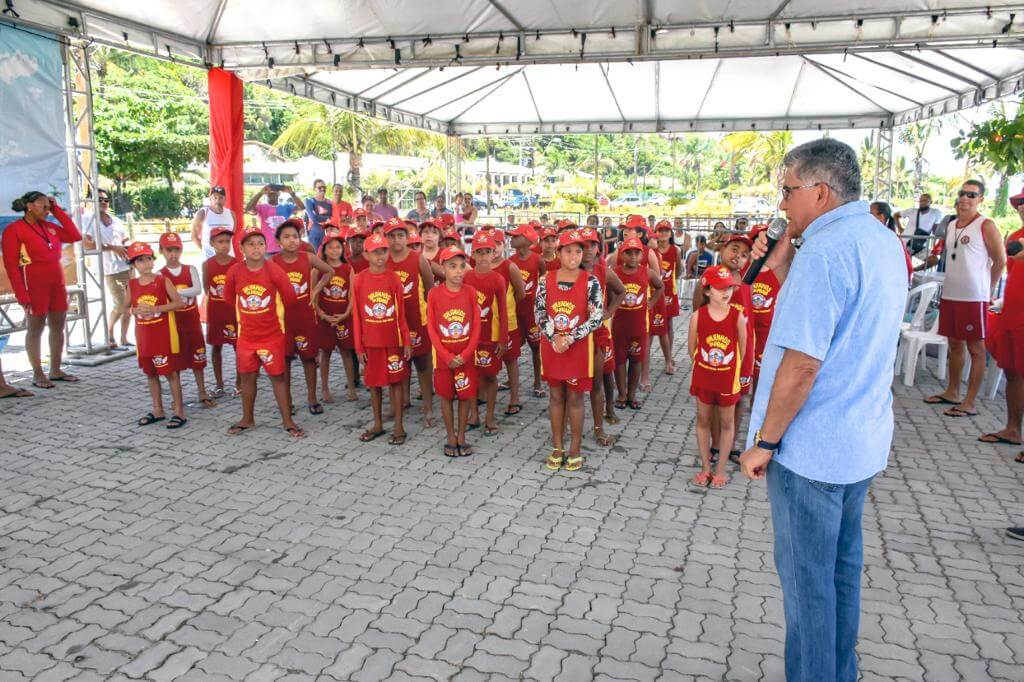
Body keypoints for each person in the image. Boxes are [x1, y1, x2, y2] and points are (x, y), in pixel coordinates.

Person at [738, 138, 907, 682]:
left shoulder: (828, 251)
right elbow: (837, 320)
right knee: (839, 577)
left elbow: (803, 364)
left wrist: (765, 440)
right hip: (857, 442)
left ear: (819, 190)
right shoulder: (879, 241)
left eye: (788, 191)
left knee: (809, 590)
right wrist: (785, 266)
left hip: (810, 453)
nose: (782, 205)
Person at [924, 180, 1005, 418]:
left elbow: (1000, 261)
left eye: (971, 194)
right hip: (951, 293)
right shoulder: (952, 225)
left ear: (980, 199)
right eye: (962, 193)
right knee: (954, 344)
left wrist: (987, 290)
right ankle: (952, 391)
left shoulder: (986, 225)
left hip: (975, 297)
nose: (965, 198)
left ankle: (969, 402)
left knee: (976, 348)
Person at [223, 226, 303, 438]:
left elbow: (290, 297)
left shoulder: (273, 270)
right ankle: (247, 418)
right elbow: (228, 298)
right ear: (241, 248)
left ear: (266, 246)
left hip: (271, 336)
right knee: (247, 377)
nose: (256, 248)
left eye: (260, 243)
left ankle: (288, 420)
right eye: (251, 244)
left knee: (278, 377)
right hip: (247, 337)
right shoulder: (235, 271)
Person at [537, 229, 603, 471]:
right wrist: (555, 336)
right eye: (568, 251)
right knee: (555, 397)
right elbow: (540, 313)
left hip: (578, 348)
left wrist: (571, 337)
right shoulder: (545, 280)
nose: (573, 256)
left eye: (578, 251)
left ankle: (575, 447)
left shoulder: (591, 281)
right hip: (553, 347)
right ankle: (557, 446)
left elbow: (596, 317)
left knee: (575, 398)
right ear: (559, 252)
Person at [2, 191, 82, 389]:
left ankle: (55, 369)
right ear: (29, 206)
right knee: (36, 327)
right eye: (43, 206)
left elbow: (74, 235)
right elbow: (11, 266)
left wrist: (57, 211)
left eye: (49, 207)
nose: (47, 211)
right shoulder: (15, 230)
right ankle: (37, 373)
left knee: (58, 324)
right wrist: (22, 294)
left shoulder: (49, 226)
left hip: (56, 280)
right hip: (33, 282)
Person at [690, 265, 747, 489]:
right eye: (720, 287)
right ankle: (705, 467)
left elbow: (742, 349)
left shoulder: (737, 316)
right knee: (703, 421)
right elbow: (691, 348)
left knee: (726, 423)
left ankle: (721, 469)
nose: (726, 292)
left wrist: (738, 375)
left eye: (729, 288)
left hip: (727, 381)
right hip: (704, 378)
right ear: (706, 291)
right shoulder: (698, 316)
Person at [351, 232, 412, 444]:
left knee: (396, 383)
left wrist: (406, 340)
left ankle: (399, 427)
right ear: (366, 254)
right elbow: (357, 316)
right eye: (375, 251)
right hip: (371, 343)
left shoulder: (394, 279)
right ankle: (377, 423)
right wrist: (358, 347)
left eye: (384, 251)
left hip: (393, 342)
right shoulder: (358, 280)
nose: (380, 255)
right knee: (374, 384)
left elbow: (401, 314)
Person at [272, 218, 334, 416]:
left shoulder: (307, 257)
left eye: (295, 237)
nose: (292, 240)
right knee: (286, 359)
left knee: (308, 359)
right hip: (283, 320)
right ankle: (287, 400)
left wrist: (316, 289)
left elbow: (329, 271)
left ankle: (312, 398)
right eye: (287, 237)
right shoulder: (273, 262)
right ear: (279, 241)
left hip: (305, 317)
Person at [980, 186, 1024, 457]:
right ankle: (1012, 429)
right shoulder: (1017, 236)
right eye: (1020, 202)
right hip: (1012, 315)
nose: (1021, 207)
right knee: (1013, 372)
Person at [426, 246, 482, 457]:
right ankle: (450, 436)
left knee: (466, 396)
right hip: (443, 359)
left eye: (461, 266)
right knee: (446, 397)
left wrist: (466, 355)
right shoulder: (434, 294)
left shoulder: (470, 292)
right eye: (452, 266)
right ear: (443, 268)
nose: (458, 271)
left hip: (466, 357)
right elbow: (431, 328)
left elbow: (476, 327)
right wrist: (446, 356)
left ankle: (462, 436)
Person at [126, 241, 186, 428]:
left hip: (162, 335)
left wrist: (156, 308)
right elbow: (125, 307)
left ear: (153, 261)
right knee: (150, 373)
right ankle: (157, 409)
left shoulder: (162, 280)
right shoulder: (132, 284)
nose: (145, 264)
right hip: (144, 337)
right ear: (134, 264)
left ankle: (179, 412)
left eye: (148, 259)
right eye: (140, 261)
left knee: (170, 373)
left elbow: (178, 303)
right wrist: (132, 311)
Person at [384, 217, 435, 426]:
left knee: (422, 363)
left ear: (407, 237)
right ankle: (401, 402)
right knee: (397, 363)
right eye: (392, 236)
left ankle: (428, 407)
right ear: (385, 238)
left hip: (417, 320)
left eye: (401, 235)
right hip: (391, 321)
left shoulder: (418, 259)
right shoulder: (383, 260)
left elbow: (430, 288)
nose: (396, 240)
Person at [159, 232, 214, 407]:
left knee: (198, 358)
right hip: (173, 325)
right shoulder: (160, 274)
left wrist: (173, 293)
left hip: (192, 322)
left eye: (176, 250)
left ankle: (202, 392)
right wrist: (181, 292)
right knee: (176, 361)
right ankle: (177, 398)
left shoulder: (190, 269)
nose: (173, 254)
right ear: (162, 251)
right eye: (169, 250)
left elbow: (197, 289)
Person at [580, 226, 624, 445]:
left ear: (598, 248)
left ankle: (599, 427)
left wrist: (610, 311)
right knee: (575, 386)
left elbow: (622, 291)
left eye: (592, 245)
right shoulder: (568, 271)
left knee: (601, 378)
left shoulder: (602, 270)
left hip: (597, 334)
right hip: (575, 336)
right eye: (584, 245)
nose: (588, 250)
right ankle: (574, 426)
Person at [464, 233, 508, 435]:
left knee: (490, 376)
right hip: (469, 336)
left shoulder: (498, 279)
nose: (483, 257)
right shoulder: (467, 277)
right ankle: (474, 413)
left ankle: (490, 415)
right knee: (472, 376)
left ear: (494, 254)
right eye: (479, 252)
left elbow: (503, 310)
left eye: (487, 252)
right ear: (472, 254)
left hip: (490, 336)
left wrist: (503, 338)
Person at [612, 237, 664, 410]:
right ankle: (621, 393)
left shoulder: (646, 272)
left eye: (637, 253)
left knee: (636, 360)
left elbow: (660, 286)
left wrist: (652, 302)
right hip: (619, 326)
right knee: (619, 361)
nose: (633, 257)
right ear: (622, 254)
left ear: (642, 255)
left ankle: (632, 395)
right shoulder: (615, 272)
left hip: (639, 327)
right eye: (629, 253)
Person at [84, 189, 132, 349]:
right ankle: (109, 334)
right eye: (99, 200)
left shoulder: (116, 220)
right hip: (109, 268)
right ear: (91, 202)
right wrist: (112, 248)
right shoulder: (87, 220)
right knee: (121, 304)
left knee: (130, 304)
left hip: (127, 265)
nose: (103, 202)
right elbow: (88, 245)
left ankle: (124, 338)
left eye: (106, 200)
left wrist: (129, 248)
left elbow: (125, 239)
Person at [316, 233, 357, 404]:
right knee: (325, 353)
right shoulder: (318, 269)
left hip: (343, 317)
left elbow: (352, 295)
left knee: (346, 352)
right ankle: (325, 388)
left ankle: (352, 386)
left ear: (343, 250)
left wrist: (346, 313)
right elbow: (313, 296)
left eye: (338, 247)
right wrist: (321, 314)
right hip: (325, 318)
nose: (334, 250)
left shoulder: (348, 269)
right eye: (331, 247)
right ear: (324, 249)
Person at [508, 224, 545, 399]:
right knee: (513, 347)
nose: (511, 239)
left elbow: (544, 282)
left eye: (515, 236)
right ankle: (511, 380)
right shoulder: (511, 261)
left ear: (526, 240)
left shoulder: (538, 260)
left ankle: (537, 381)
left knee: (536, 347)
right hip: (515, 311)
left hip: (532, 312)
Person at [202, 226, 238, 397]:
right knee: (216, 347)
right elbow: (206, 289)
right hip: (216, 312)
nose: (224, 245)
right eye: (220, 241)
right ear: (212, 243)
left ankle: (240, 383)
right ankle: (219, 384)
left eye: (227, 241)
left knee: (239, 347)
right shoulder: (207, 265)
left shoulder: (237, 264)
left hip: (233, 312)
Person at [653, 220, 683, 374]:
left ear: (671, 233)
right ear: (655, 232)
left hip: (669, 291)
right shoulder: (652, 249)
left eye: (666, 230)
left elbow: (678, 271)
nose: (663, 233)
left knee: (669, 324)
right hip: (654, 291)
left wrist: (668, 282)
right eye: (660, 230)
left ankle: (669, 357)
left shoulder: (675, 250)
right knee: (653, 324)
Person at [245, 184, 302, 255]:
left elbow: (301, 208)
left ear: (279, 193)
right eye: (270, 191)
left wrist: (292, 194)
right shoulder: (262, 208)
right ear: (266, 194)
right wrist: (260, 194)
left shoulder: (286, 207)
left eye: (275, 191)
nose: (273, 193)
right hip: (268, 250)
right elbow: (248, 209)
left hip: (285, 249)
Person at [869, 202, 913, 283]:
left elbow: (907, 266)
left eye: (870, 214)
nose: (866, 218)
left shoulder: (888, 238)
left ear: (881, 217)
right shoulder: (893, 237)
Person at [191, 185, 235, 259]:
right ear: (210, 199)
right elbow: (194, 237)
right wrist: (206, 252)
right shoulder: (203, 213)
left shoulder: (231, 214)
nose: (217, 201)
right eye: (215, 198)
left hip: (228, 258)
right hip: (209, 259)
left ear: (225, 199)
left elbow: (231, 236)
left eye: (221, 198)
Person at [304, 179, 333, 252]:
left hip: (328, 234)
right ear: (314, 189)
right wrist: (328, 218)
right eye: (319, 187)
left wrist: (321, 218)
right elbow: (313, 218)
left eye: (324, 187)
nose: (323, 189)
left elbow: (334, 217)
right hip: (315, 235)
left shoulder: (330, 202)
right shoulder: (309, 201)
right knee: (316, 259)